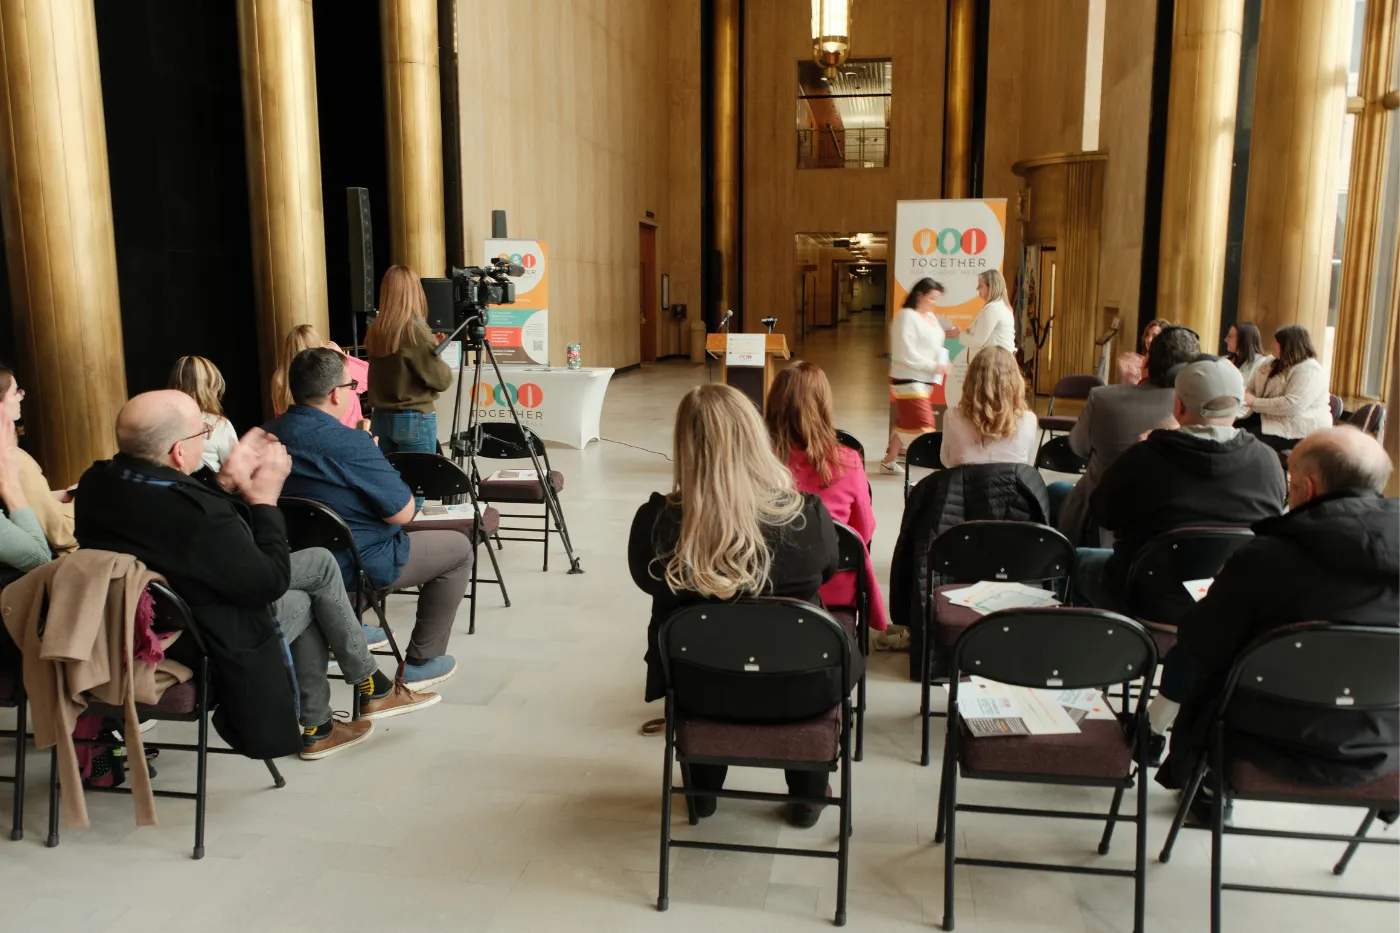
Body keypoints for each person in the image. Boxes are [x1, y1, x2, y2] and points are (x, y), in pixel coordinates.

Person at [74, 390, 437, 761]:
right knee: (309, 588)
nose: (206, 439)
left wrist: (225, 483)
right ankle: (345, 705)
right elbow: (267, 582)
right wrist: (264, 502)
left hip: (138, 622)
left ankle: (331, 718)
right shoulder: (197, 515)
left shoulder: (96, 485)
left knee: (318, 566)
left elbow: (179, 519)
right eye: (202, 433)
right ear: (179, 452)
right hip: (198, 639)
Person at [629, 383, 852, 828]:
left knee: (701, 643)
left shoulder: (657, 523)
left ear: (685, 446)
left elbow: (646, 581)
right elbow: (827, 573)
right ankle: (808, 794)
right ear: (756, 438)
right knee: (801, 628)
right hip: (799, 688)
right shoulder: (806, 516)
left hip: (701, 690)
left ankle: (702, 791)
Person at [1158, 426, 1398, 812]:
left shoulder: (1267, 558)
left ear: (1307, 488)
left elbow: (1201, 643)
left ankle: (1196, 775)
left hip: (1268, 733)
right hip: (1387, 734)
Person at [269, 348, 471, 690]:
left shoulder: (265, 435)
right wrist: (371, 454)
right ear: (336, 394)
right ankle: (423, 661)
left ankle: (347, 621)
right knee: (458, 548)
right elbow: (404, 512)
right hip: (359, 563)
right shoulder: (351, 443)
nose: (355, 393)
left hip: (292, 559)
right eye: (352, 386)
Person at [1070, 356, 1286, 614]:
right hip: (1229, 599)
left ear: (1178, 407)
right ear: (1237, 406)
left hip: (1143, 596)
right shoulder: (1268, 461)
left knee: (1076, 559)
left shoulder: (1144, 457)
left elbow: (1102, 513)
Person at [765, 360, 887, 631]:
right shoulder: (848, 461)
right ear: (823, 406)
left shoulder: (755, 463)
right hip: (833, 587)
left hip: (768, 583)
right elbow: (864, 533)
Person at [1055, 325, 1201, 544]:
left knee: (1057, 491)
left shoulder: (1103, 398)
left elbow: (1078, 447)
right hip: (1168, 531)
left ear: (1146, 362)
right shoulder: (1195, 409)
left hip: (1099, 525)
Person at [364, 265, 452, 454]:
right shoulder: (415, 331)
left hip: (380, 418)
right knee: (417, 480)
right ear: (415, 292)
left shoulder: (376, 329)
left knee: (389, 480)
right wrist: (434, 350)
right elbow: (441, 380)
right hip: (414, 418)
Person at [0, 366, 74, 553]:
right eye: (15, 392)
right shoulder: (10, 458)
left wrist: (47, 498)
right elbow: (60, 533)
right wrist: (87, 503)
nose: (21, 397)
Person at [881, 277, 951, 474]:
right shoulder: (906, 317)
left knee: (905, 422)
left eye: (937, 299)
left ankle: (888, 461)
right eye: (932, 298)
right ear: (920, 296)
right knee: (925, 424)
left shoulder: (931, 318)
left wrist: (943, 362)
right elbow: (905, 354)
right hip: (907, 378)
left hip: (925, 379)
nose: (934, 303)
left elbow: (934, 346)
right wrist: (933, 365)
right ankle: (938, 469)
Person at [1239, 324, 1332, 451]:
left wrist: (1253, 402)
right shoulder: (1270, 362)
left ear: (1289, 346)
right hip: (1267, 417)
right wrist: (1247, 395)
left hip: (1297, 429)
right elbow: (1251, 386)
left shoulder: (1309, 369)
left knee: (1245, 442)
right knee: (1232, 431)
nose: (1273, 345)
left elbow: (1292, 405)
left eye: (1277, 342)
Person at [940, 347, 1037, 467]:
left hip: (966, 484)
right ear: (1015, 380)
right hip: (1011, 485)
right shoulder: (1029, 420)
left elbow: (946, 461)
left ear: (971, 380)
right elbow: (1027, 465)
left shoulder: (952, 417)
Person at [272, 323, 370, 430]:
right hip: (346, 436)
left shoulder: (279, 379)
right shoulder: (333, 372)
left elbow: (280, 416)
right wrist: (340, 355)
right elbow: (369, 377)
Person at [943, 269, 1016, 409]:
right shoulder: (998, 307)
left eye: (981, 285)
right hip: (996, 366)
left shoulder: (993, 309)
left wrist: (960, 335)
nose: (977, 289)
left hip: (991, 368)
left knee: (986, 406)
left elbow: (978, 340)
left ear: (992, 286)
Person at [167, 356, 238, 472]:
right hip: (204, 489)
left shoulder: (159, 421)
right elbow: (235, 470)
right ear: (208, 389)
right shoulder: (218, 424)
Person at [1116, 317, 1169, 385]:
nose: (1148, 339)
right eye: (1148, 335)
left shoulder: (1167, 364)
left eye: (1154, 336)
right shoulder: (1138, 361)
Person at [1224, 321, 1270, 388]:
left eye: (1230, 336)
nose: (1226, 339)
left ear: (1243, 339)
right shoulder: (1227, 360)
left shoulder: (1261, 364)